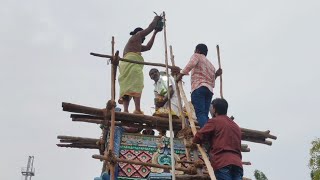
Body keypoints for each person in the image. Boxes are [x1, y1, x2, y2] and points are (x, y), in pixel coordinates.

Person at [118, 15, 162, 114]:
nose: (143, 39)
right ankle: (136, 109)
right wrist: (156, 19)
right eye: (143, 36)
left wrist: (155, 33)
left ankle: (126, 110)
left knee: (127, 86)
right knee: (137, 84)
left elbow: (148, 47)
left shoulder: (135, 45)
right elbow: (150, 27)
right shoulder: (136, 36)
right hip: (132, 65)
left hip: (125, 65)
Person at [193, 98, 243, 180]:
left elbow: (198, 136)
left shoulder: (215, 121)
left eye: (211, 108)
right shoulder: (236, 126)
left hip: (222, 161)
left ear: (214, 109)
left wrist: (195, 141)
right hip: (237, 163)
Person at [176, 44, 222, 128]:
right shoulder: (211, 66)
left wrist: (180, 75)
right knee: (204, 114)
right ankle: (208, 131)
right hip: (209, 90)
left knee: (200, 113)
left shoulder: (196, 56)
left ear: (198, 50)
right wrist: (217, 75)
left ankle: (206, 133)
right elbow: (212, 82)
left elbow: (190, 65)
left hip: (199, 88)